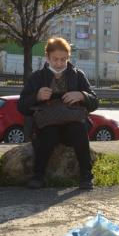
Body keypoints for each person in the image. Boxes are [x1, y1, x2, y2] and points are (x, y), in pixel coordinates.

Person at [18, 37, 98, 190]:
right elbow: (21, 106)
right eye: (55, 59)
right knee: (49, 132)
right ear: (47, 57)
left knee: (78, 128)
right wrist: (36, 96)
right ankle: (38, 176)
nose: (59, 63)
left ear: (68, 58)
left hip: (71, 127)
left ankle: (86, 176)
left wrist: (82, 95)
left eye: (63, 59)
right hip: (47, 126)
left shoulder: (78, 75)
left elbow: (95, 102)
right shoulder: (37, 77)